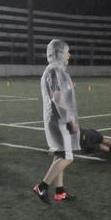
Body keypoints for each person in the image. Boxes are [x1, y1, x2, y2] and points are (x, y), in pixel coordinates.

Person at [33, 38, 80, 204]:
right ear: (59, 53)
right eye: (67, 52)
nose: (69, 55)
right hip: (59, 120)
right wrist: (71, 119)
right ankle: (42, 186)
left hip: (55, 118)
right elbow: (58, 98)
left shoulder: (53, 70)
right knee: (67, 157)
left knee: (60, 154)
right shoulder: (55, 70)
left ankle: (60, 192)